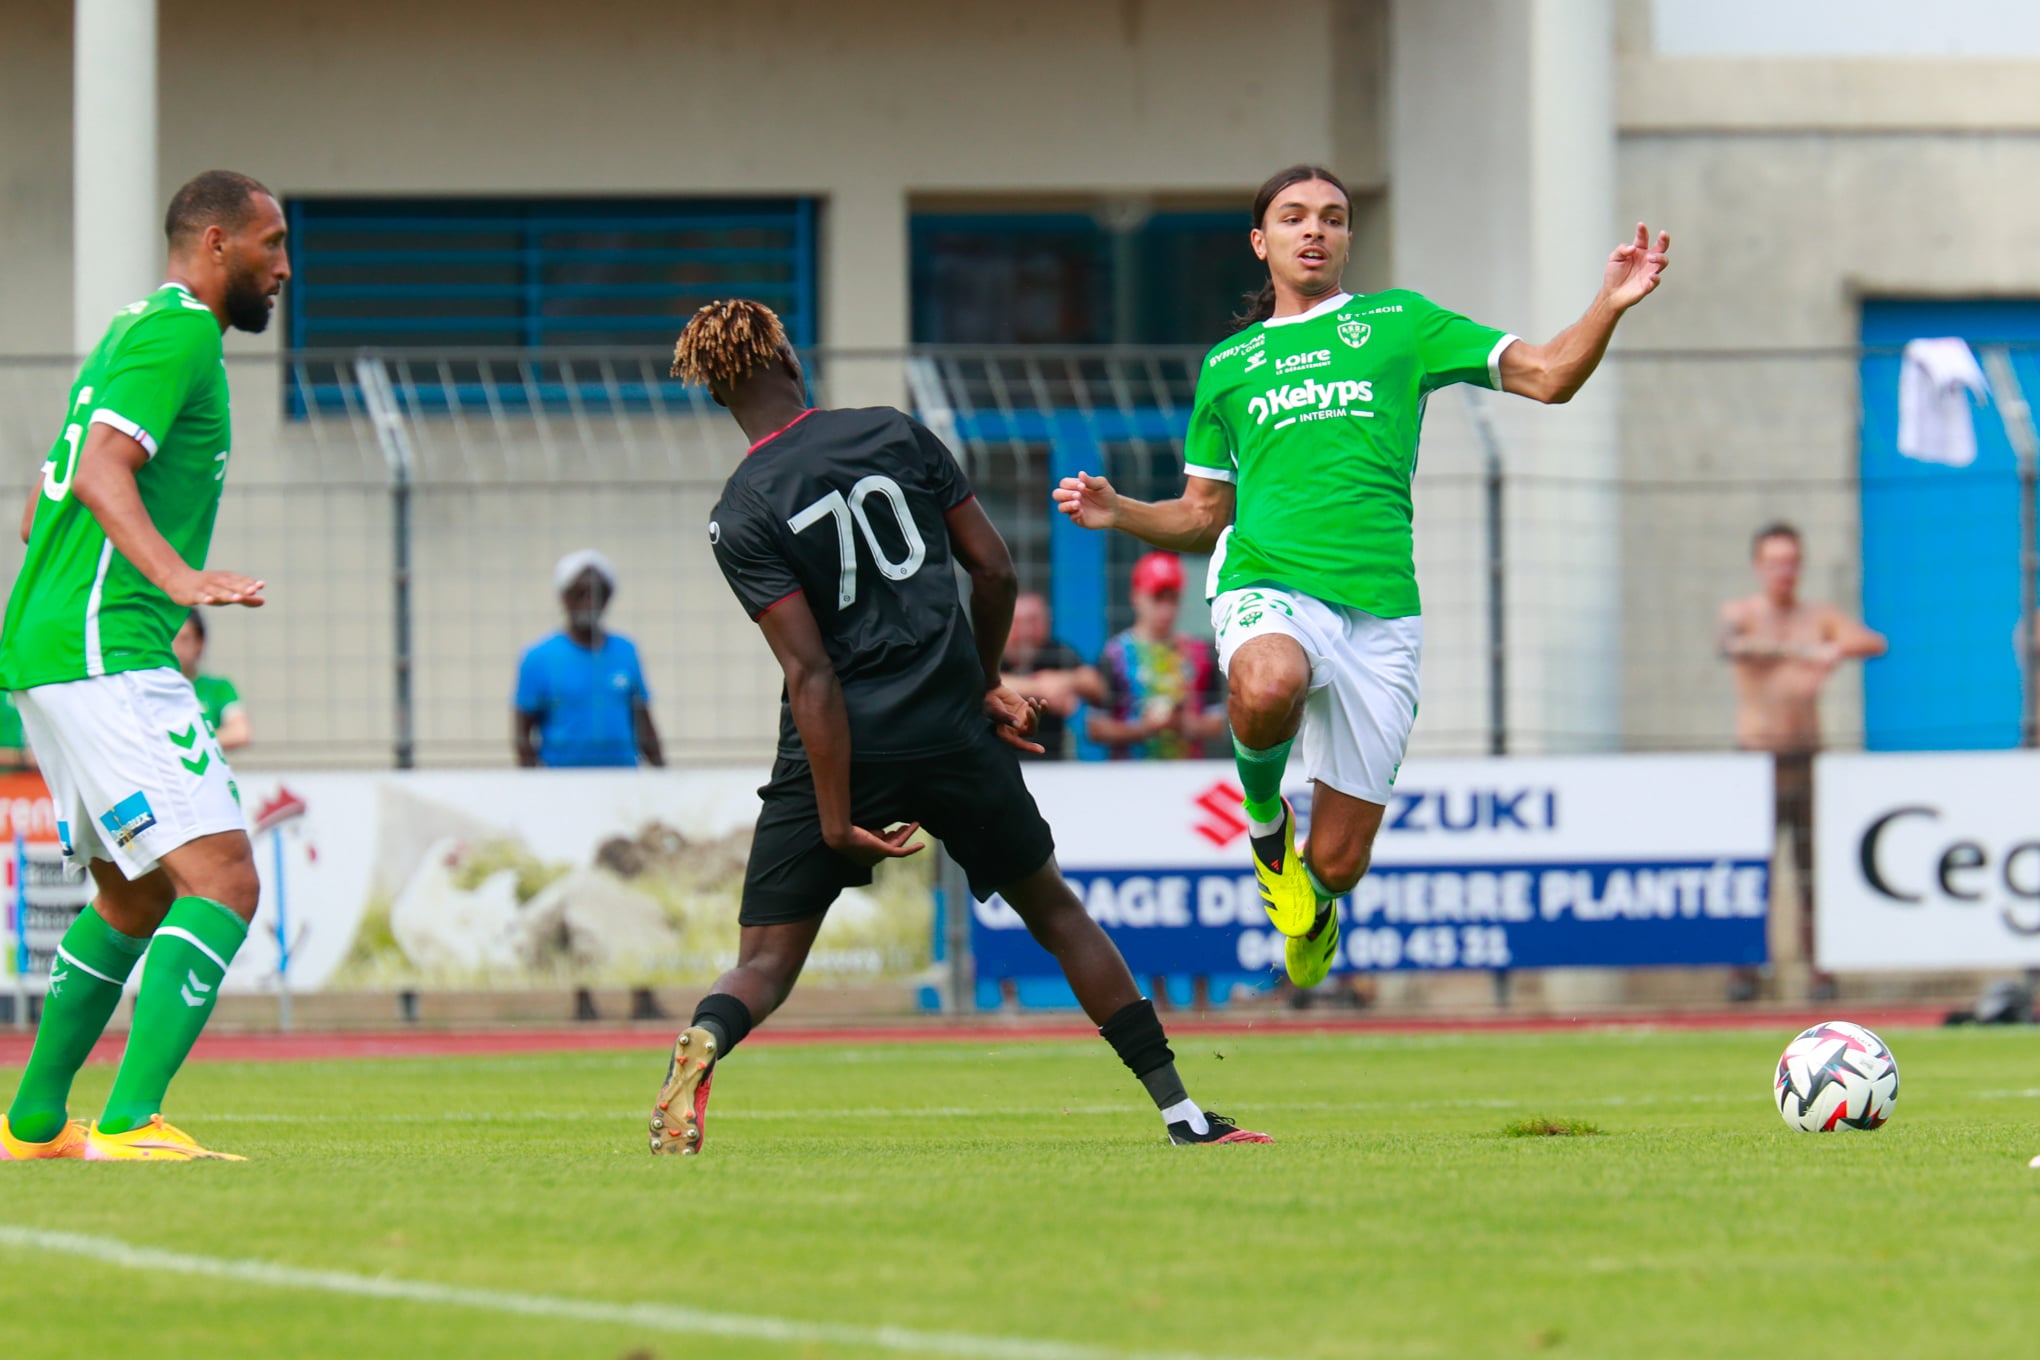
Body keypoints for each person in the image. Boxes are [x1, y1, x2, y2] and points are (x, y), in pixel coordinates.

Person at [652, 298, 1267, 1154]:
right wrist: (982, 682)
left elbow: (810, 674)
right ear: (790, 362)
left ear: (718, 397)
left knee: (763, 964)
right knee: (1055, 911)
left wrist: (835, 818)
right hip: (948, 724)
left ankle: (708, 1042)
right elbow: (994, 570)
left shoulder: (740, 508)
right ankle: (1180, 1111)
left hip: (843, 743)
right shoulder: (894, 432)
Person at [1055, 164, 1671, 992]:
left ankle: (1316, 889)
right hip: (1267, 580)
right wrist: (1120, 509)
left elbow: (1550, 376)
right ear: (1260, 241)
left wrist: (1610, 302)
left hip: (1381, 615)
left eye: (1333, 218)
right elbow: (1205, 516)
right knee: (1268, 681)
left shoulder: (1399, 324)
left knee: (1341, 863)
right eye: (1294, 216)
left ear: (1349, 238)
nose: (1315, 229)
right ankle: (1267, 830)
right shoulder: (1230, 364)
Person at [0, 170, 289, 1162]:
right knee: (224, 880)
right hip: (106, 650)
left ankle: (33, 1122)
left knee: (134, 894)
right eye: (270, 244)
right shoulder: (183, 334)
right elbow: (96, 471)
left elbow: (45, 499)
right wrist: (179, 575)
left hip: (53, 649)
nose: (283, 266)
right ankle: (128, 1121)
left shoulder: (129, 330)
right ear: (215, 242)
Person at [1717, 521, 1886, 1000]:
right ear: (1758, 566)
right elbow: (1731, 645)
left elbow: (1873, 642)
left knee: (1812, 870)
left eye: (1791, 562)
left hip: (1806, 757)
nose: (1783, 572)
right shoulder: (1744, 614)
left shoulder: (1818, 615)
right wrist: (1801, 651)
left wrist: (1834, 648)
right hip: (1755, 760)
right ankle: (1744, 971)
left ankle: (1818, 969)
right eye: (1774, 563)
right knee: (1752, 871)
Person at [513, 549, 664, 768]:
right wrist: (540, 788)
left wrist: (666, 780)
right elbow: (522, 736)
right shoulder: (537, 657)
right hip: (563, 786)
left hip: (621, 784)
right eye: (580, 593)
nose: (589, 601)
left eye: (597, 593)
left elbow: (643, 725)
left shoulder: (626, 651)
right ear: (564, 597)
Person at [1089, 551, 1226, 759]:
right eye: (1157, 598)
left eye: (1173, 599)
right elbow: (1095, 727)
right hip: (1129, 778)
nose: (1166, 609)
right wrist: (1143, 728)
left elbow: (1217, 723)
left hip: (1187, 776)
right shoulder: (1115, 655)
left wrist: (1183, 724)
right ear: (1136, 597)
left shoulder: (1200, 654)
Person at [1000, 591, 1104, 760]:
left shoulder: (1057, 652)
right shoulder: (987, 653)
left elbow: (1096, 684)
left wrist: (1066, 681)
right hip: (998, 762)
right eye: (1018, 622)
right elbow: (977, 683)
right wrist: (1041, 688)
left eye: (1033, 621)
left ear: (1047, 623)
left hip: (1052, 763)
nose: (1026, 631)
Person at [173, 611, 250, 750]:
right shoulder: (151, 688)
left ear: (199, 642)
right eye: (172, 639)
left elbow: (240, 732)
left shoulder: (219, 688)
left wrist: (185, 743)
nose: (177, 648)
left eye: (185, 639)